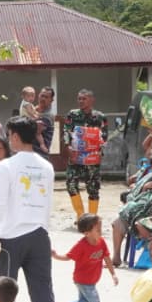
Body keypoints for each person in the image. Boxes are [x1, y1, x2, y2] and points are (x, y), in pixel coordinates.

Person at [0, 116, 58, 302]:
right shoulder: (46, 166)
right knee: (42, 287)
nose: (9, 140)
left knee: (3, 288)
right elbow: (48, 201)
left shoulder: (7, 165)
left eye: (9, 136)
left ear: (16, 137)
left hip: (11, 236)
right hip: (39, 234)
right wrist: (45, 231)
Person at [110, 154, 152, 265]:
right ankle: (116, 256)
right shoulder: (148, 179)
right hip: (137, 212)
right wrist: (145, 187)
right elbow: (134, 196)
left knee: (139, 224)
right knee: (118, 222)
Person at [53, 213, 117, 302]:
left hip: (92, 280)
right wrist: (56, 256)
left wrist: (113, 274)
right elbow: (68, 257)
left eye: (101, 228)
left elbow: (107, 258)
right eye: (97, 230)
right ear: (87, 233)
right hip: (83, 281)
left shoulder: (101, 242)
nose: (100, 231)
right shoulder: (81, 245)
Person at [62, 88, 108, 218]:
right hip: (75, 157)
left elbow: (104, 136)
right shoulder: (72, 115)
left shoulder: (100, 117)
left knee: (93, 188)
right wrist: (68, 148)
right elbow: (66, 132)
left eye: (84, 98)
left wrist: (100, 152)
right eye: (79, 99)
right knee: (71, 185)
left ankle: (92, 218)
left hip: (92, 158)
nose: (81, 101)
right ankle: (81, 216)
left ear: (92, 100)